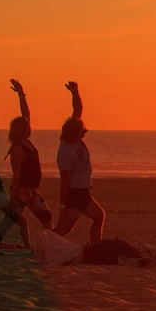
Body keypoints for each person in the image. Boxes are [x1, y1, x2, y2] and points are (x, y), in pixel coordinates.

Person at [3, 80, 53, 247]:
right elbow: (16, 175)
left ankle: (47, 246)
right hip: (22, 191)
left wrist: (21, 94)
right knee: (9, 221)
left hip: (32, 191)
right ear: (21, 130)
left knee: (47, 219)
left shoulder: (27, 143)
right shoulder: (17, 148)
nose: (30, 127)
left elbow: (26, 114)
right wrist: (13, 198)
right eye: (27, 126)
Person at [54, 81, 105, 244]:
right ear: (74, 135)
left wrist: (75, 93)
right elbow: (64, 182)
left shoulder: (74, 137)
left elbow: (78, 110)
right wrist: (62, 208)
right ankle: (40, 245)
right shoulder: (66, 153)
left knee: (99, 217)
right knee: (64, 229)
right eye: (82, 132)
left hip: (83, 192)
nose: (86, 132)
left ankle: (95, 247)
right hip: (74, 194)